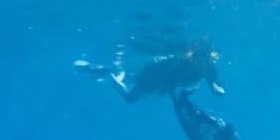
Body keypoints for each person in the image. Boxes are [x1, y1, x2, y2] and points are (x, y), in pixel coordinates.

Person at [77, 45, 224, 102]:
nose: (203, 65)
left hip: (158, 76)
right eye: (201, 60)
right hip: (155, 71)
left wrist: (217, 89)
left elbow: (214, 86)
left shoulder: (209, 69)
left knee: (130, 77)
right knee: (131, 97)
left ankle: (102, 69)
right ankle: (112, 77)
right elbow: (168, 76)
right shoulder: (183, 63)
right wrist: (165, 87)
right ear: (196, 58)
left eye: (207, 61)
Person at [171, 88, 242, 140]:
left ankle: (176, 95)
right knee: (192, 119)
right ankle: (177, 96)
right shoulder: (221, 139)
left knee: (190, 119)